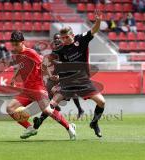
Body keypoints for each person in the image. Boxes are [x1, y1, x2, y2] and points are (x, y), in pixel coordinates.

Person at [40, 10, 105, 138]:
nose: (64, 40)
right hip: (68, 82)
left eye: (66, 37)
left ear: (72, 35)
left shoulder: (81, 39)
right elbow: (46, 60)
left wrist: (98, 21)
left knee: (102, 102)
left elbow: (93, 30)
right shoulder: (60, 49)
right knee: (51, 105)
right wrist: (49, 74)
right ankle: (37, 124)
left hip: (83, 81)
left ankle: (94, 122)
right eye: (62, 38)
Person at [6, 31, 76, 140]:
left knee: (47, 111)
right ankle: (30, 128)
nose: (14, 46)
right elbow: (21, 66)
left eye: (17, 44)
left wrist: (51, 75)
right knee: (10, 109)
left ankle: (69, 126)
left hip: (38, 88)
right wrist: (14, 78)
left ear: (22, 42)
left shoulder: (31, 53)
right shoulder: (18, 54)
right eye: (13, 44)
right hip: (26, 90)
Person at [33, 33, 85, 130]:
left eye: (59, 40)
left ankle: (39, 123)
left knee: (53, 101)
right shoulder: (54, 52)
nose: (57, 42)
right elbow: (45, 65)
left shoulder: (69, 52)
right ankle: (42, 121)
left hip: (67, 81)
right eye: (55, 40)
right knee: (49, 99)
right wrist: (50, 75)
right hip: (57, 79)